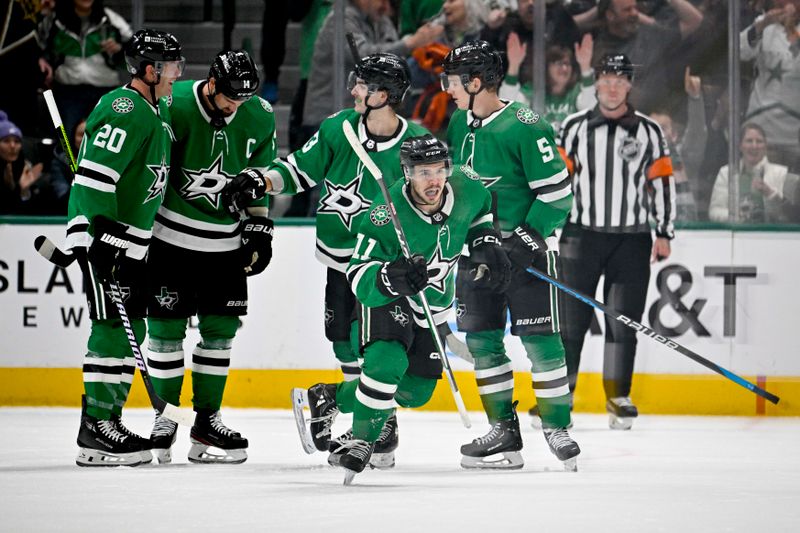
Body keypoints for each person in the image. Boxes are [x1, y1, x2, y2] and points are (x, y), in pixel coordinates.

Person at [222, 52, 430, 461]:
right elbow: (298, 170)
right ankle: (375, 425)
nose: (352, 89)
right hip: (339, 263)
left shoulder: (416, 143)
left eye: (361, 85)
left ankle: (368, 422)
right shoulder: (338, 128)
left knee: (377, 346)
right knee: (344, 344)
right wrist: (260, 179)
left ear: (382, 95)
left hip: (384, 268)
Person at [293, 134, 507, 481]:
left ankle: (328, 397)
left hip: (433, 305)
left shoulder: (467, 184)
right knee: (386, 363)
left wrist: (485, 240)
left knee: (415, 392)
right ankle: (364, 439)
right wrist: (391, 277)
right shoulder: (384, 213)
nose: (434, 180)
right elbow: (358, 273)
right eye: (423, 173)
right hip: (388, 298)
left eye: (439, 170)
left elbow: (482, 209)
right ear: (407, 173)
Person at [442, 41, 580, 471]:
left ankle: (557, 427)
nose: (446, 87)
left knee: (541, 343)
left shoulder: (526, 124)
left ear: (475, 81)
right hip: (477, 256)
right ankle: (502, 430)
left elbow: (558, 195)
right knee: (483, 343)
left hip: (527, 255)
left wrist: (521, 242)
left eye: (452, 79)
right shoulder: (458, 123)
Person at [144, 50, 276, 465]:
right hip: (170, 240)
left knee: (220, 333)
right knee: (165, 331)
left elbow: (261, 173)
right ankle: (165, 418)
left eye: (243, 100)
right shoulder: (173, 103)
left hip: (225, 246)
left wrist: (259, 227)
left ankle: (206, 420)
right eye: (229, 99)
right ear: (212, 83)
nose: (235, 107)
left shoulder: (259, 114)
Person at [63, 29, 184, 467]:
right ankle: (96, 428)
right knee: (112, 330)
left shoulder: (155, 106)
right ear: (151, 70)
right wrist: (102, 239)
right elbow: (95, 178)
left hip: (131, 244)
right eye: (172, 67)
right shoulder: (124, 108)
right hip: (106, 244)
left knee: (133, 329)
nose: (177, 74)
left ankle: (108, 420)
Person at [557, 53, 675, 430]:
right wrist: (549, 226)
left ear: (628, 86)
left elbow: (662, 184)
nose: (612, 87)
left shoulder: (650, 131)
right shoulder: (574, 127)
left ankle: (618, 397)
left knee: (623, 323)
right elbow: (556, 184)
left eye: (619, 80)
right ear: (595, 83)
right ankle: (562, 397)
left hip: (633, 239)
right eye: (606, 79)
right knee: (571, 323)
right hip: (581, 235)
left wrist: (665, 232)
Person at [42, 0, 133, 143]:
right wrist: (43, 61)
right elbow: (39, 46)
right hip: (67, 89)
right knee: (66, 139)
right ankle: (67, 166)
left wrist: (118, 50)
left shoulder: (110, 19)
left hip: (105, 89)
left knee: (106, 138)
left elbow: (132, 54)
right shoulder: (54, 20)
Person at [592, 0, 703, 114]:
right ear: (610, 15)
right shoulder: (601, 52)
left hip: (665, 116)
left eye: (635, 8)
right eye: (627, 10)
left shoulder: (649, 34)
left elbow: (694, 21)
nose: (635, 13)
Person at [740, 0, 800, 172]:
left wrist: (790, 30)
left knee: (790, 194)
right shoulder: (764, 24)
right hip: (761, 133)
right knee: (757, 194)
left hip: (794, 136)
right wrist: (762, 25)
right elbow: (741, 51)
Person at [500, 33, 596, 132]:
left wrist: (585, 66)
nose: (564, 68)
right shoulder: (533, 90)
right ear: (546, 67)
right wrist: (514, 65)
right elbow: (508, 110)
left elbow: (591, 109)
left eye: (567, 64)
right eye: (558, 63)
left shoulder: (576, 91)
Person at [709, 122, 799, 223]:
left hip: (771, 236)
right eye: (749, 141)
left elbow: (788, 218)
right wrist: (739, 217)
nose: (754, 146)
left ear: (765, 146)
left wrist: (769, 193)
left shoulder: (781, 173)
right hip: (736, 235)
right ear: (740, 146)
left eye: (759, 141)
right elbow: (714, 211)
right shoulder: (726, 173)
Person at [0, 111, 53, 215]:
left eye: (17, 141)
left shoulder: (23, 166)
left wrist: (24, 191)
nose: (12, 146)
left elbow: (23, 216)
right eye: (6, 141)